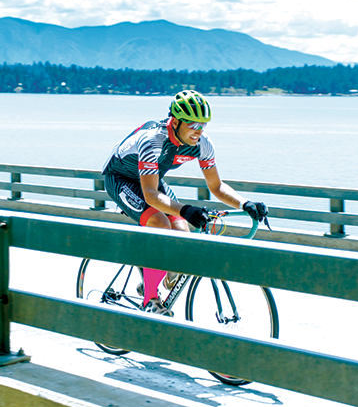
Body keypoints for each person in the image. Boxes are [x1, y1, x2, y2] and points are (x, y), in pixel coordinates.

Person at [101, 90, 268, 315]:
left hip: (152, 179)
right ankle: (150, 299)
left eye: (203, 125)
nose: (198, 131)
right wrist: (187, 209)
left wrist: (245, 203)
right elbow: (150, 195)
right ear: (176, 121)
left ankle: (155, 273)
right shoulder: (153, 140)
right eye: (193, 125)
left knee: (181, 233)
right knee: (160, 223)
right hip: (121, 179)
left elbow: (217, 187)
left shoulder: (202, 144)